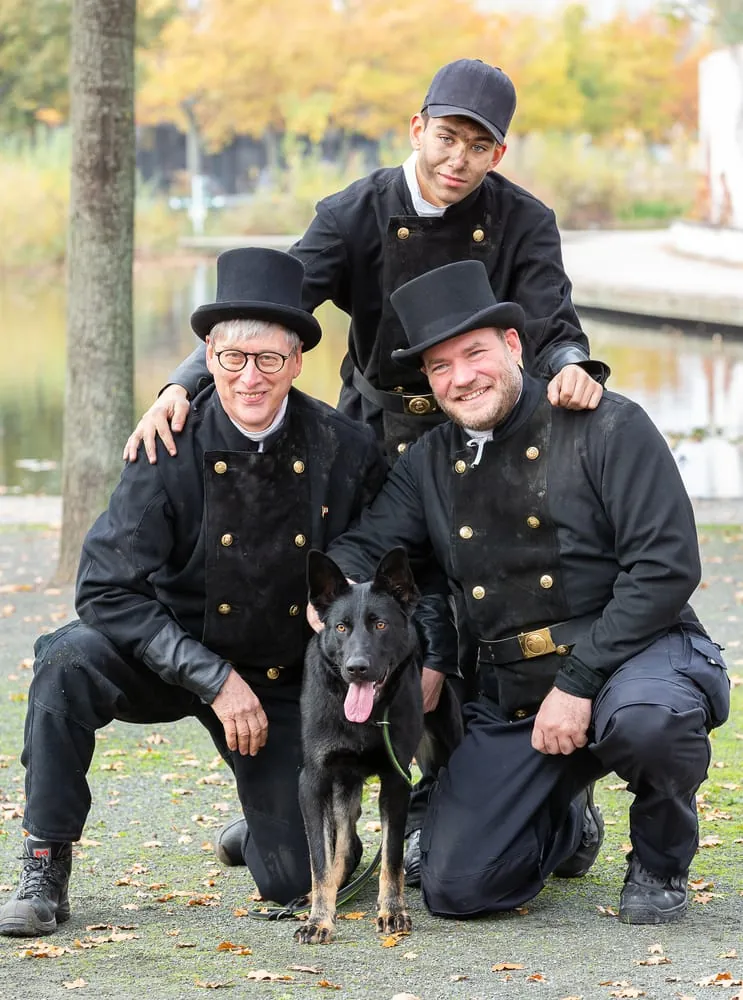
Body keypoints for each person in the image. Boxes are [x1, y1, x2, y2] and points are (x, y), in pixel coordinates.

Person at [123, 56, 609, 829]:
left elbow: (550, 323)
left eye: (477, 147)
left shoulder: (524, 220)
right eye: (446, 138)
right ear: (417, 128)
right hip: (377, 432)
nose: (457, 160)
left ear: (498, 154)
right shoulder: (353, 211)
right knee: (356, 597)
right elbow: (269, 310)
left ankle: (530, 791)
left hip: (479, 426)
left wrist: (575, 367)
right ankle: (317, 776)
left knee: (483, 599)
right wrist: (182, 386)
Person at [320, 258, 731, 924]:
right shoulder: (428, 462)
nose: (461, 377)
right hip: (514, 690)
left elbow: (665, 567)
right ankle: (566, 819)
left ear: (512, 345)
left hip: (635, 657)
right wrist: (330, 592)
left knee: (650, 722)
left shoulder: (609, 426)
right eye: (440, 367)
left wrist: (578, 683)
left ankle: (659, 863)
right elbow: (369, 545)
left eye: (474, 353)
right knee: (458, 888)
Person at [0, 248, 388, 938]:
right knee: (65, 660)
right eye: (233, 357)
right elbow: (105, 587)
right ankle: (44, 859)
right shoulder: (167, 442)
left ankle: (263, 826)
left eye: (268, 359)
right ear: (208, 356)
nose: (249, 376)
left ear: (297, 361)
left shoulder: (346, 445)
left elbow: (381, 548)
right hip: (168, 653)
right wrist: (212, 679)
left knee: (299, 879)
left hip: (279, 677)